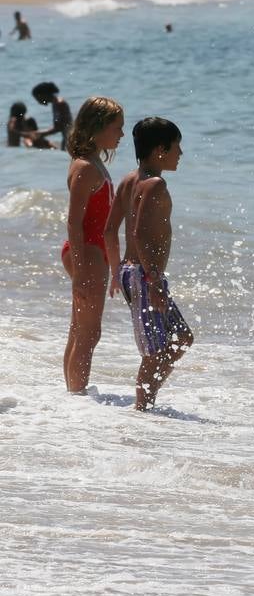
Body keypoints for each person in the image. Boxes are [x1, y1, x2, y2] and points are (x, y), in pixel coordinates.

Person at [104, 118, 193, 410]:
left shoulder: (129, 179)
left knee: (182, 337)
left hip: (137, 273)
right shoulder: (155, 184)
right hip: (146, 276)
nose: (180, 153)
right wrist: (153, 281)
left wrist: (116, 272)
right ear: (160, 150)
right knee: (155, 352)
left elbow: (109, 230)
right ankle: (143, 409)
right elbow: (139, 232)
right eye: (177, 147)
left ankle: (147, 400)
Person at [61, 97, 125, 394]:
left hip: (91, 250)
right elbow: (74, 222)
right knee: (89, 332)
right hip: (86, 251)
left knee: (80, 329)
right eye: (117, 128)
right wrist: (80, 267)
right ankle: (77, 396)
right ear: (97, 128)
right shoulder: (86, 167)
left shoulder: (93, 162)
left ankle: (72, 394)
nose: (121, 135)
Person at [33, 82, 73, 151]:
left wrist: (41, 134)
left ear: (43, 94)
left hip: (70, 139)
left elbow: (58, 127)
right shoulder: (56, 102)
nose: (38, 101)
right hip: (68, 137)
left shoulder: (59, 103)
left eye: (37, 98)